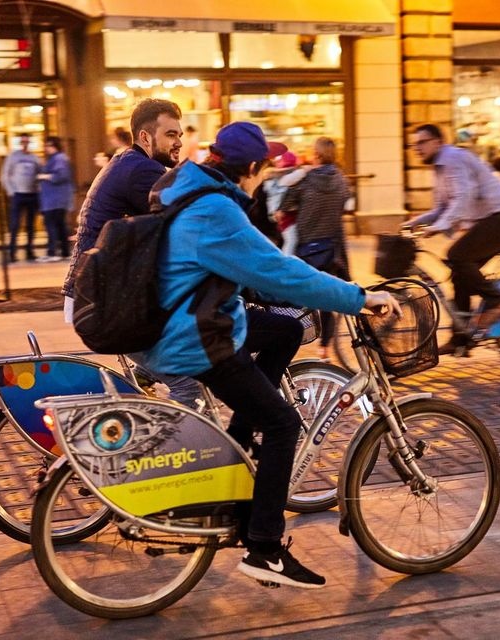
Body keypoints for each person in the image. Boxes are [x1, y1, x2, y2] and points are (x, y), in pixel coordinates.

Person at [141, 121, 400, 588]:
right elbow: (277, 270)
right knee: (283, 423)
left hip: (192, 319)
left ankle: (241, 445)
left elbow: (250, 268)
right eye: (265, 170)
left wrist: (283, 288)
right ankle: (264, 548)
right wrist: (357, 298)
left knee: (281, 331)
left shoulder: (193, 189)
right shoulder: (216, 208)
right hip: (194, 337)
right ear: (254, 168)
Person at [60, 98, 197, 405]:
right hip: (106, 303)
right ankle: (178, 448)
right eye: (171, 135)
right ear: (146, 137)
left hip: (102, 295)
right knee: (189, 381)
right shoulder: (142, 172)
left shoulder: (129, 162)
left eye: (179, 134)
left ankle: (137, 408)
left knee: (160, 366)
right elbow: (188, 223)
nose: (179, 142)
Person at [405, 123, 500, 355]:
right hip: (491, 220)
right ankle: (461, 338)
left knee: (456, 255)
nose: (416, 148)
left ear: (438, 142)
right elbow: (441, 207)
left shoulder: (453, 159)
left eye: (422, 142)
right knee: (459, 273)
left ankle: (498, 300)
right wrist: (412, 223)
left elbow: (462, 198)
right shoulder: (439, 167)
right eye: (414, 144)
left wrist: (439, 227)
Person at [279, 137, 351, 361]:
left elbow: (285, 205)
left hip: (307, 245)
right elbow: (346, 203)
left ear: (317, 155)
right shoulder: (341, 179)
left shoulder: (306, 179)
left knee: (293, 292)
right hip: (331, 246)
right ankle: (324, 348)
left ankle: (282, 334)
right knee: (327, 297)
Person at [1, 133, 42, 261]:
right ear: (20, 143)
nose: (25, 144)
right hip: (18, 195)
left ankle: (29, 250)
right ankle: (12, 252)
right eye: (23, 142)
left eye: (27, 142)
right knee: (15, 225)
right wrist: (11, 191)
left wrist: (38, 189)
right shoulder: (13, 157)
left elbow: (40, 174)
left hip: (32, 195)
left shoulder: (35, 158)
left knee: (30, 225)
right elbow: (5, 175)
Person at [37, 136, 74, 262]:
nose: (46, 148)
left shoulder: (59, 159)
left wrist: (44, 176)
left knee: (51, 224)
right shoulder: (57, 158)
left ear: (53, 146)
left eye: (48, 146)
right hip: (56, 198)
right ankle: (64, 251)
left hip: (55, 199)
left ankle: (53, 252)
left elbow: (60, 176)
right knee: (59, 225)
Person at [264, 151, 306, 256]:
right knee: (291, 240)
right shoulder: (285, 179)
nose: (278, 163)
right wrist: (304, 169)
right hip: (285, 215)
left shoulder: (274, 178)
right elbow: (299, 174)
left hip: (280, 214)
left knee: (288, 240)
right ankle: (287, 261)